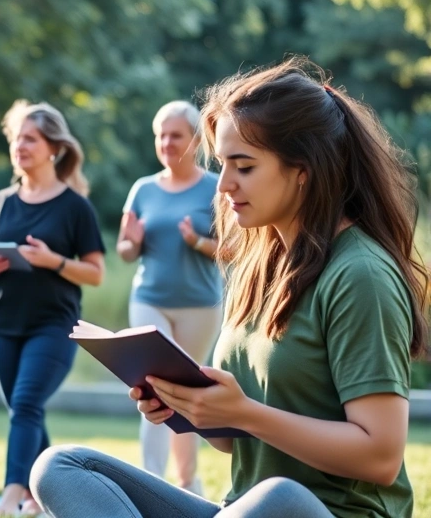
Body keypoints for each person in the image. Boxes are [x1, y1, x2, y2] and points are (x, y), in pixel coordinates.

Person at [30, 57, 427, 518]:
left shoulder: (361, 274)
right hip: (240, 511)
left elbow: (379, 456)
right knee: (62, 466)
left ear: (305, 170)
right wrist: (189, 404)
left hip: (322, 512)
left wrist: (243, 414)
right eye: (221, 165)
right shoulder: (257, 265)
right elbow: (231, 439)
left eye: (243, 166)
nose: (223, 186)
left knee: (279, 497)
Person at [0, 100, 106, 516]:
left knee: (26, 405)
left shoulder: (74, 207)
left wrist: (55, 262)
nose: (20, 146)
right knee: (24, 411)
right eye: (16, 138)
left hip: (54, 326)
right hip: (2, 324)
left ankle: (11, 495)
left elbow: (96, 273)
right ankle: (43, 497)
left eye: (30, 138)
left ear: (54, 147)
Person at [116, 101, 222, 493]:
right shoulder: (142, 189)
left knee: (187, 393)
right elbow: (125, 251)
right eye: (160, 134)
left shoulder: (215, 187)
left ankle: (187, 483)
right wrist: (133, 242)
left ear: (194, 140)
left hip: (200, 305)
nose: (166, 142)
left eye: (175, 134)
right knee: (153, 386)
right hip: (149, 299)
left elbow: (235, 249)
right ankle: (150, 483)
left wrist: (198, 242)